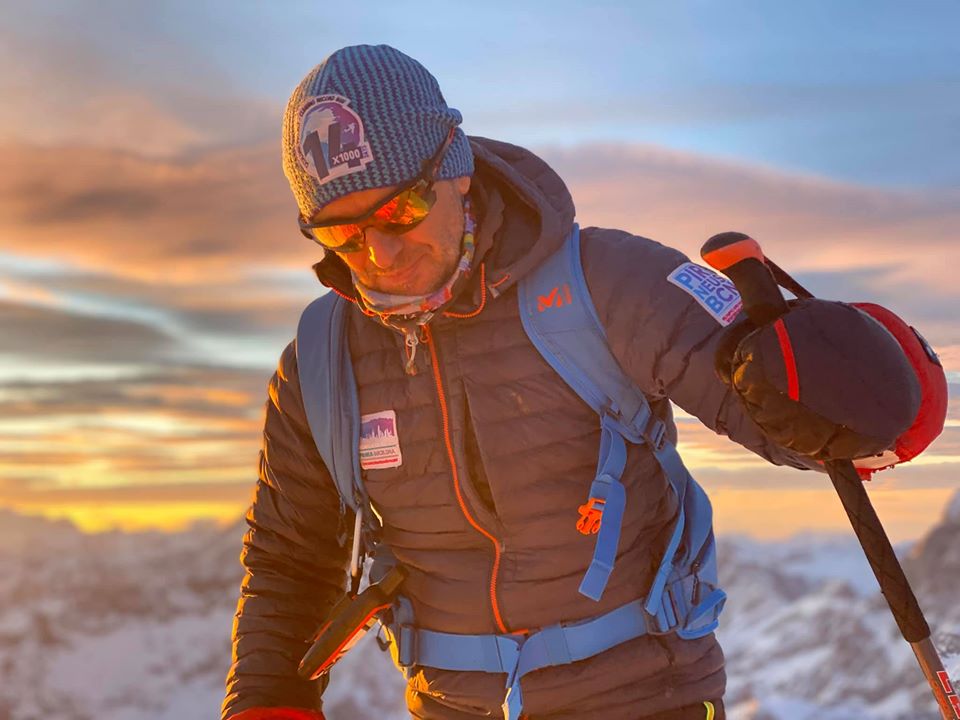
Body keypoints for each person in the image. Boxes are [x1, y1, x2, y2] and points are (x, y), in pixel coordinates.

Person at [221, 45, 927, 720]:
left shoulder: (610, 285)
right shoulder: (322, 360)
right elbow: (291, 557)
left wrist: (843, 384)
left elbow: (827, 435)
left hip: (650, 699)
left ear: (455, 167)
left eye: (399, 211)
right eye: (340, 231)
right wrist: (268, 701)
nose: (378, 254)